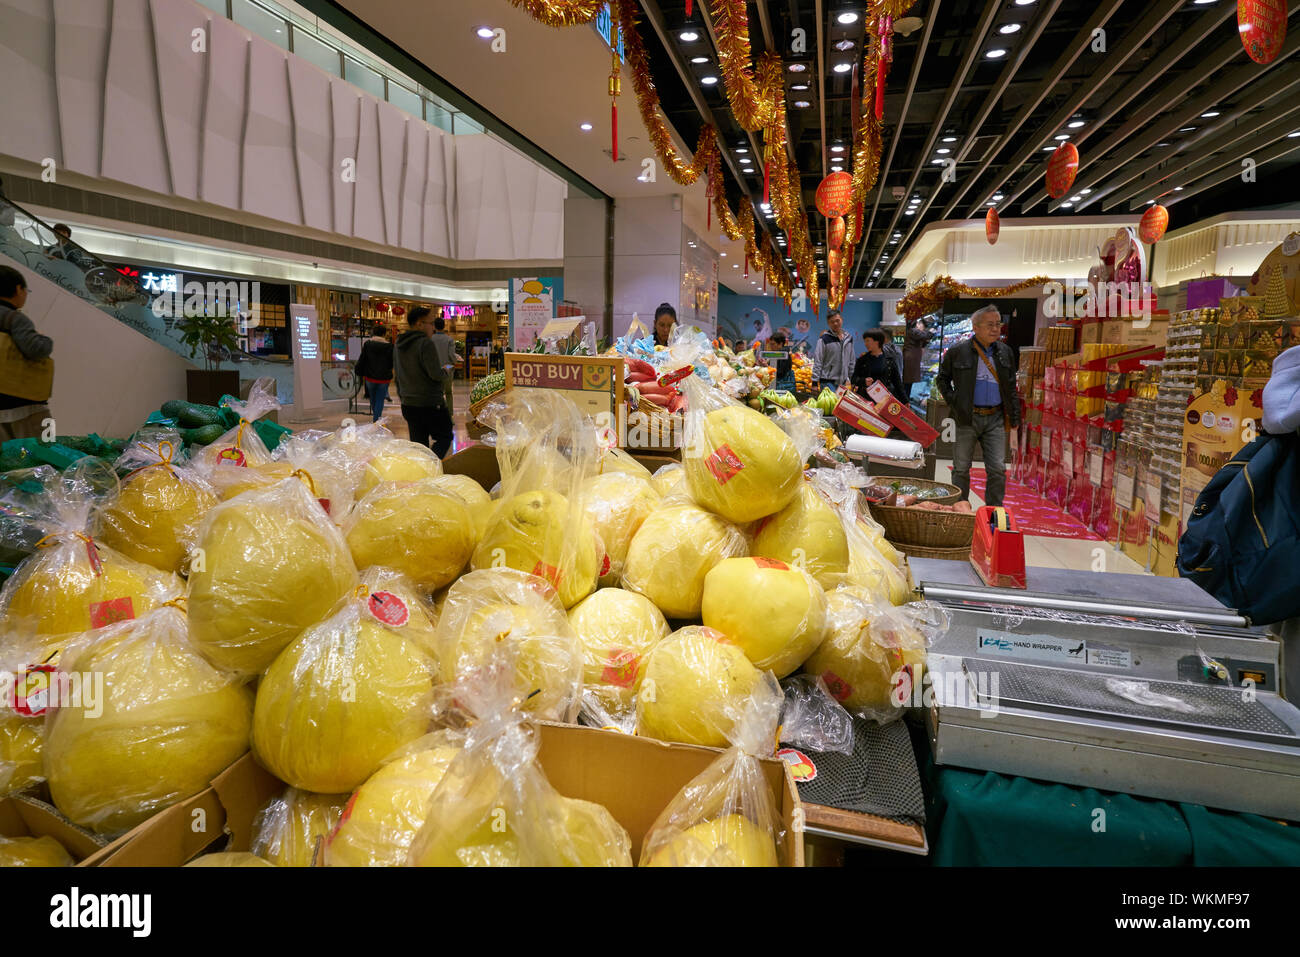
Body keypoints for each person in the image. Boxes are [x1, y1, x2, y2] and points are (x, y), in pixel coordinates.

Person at [937, 304, 1020, 507]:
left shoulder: (1005, 352)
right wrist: (955, 401)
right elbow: (942, 379)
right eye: (989, 324)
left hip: (996, 418)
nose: (995, 329)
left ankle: (993, 511)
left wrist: (1015, 418)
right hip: (966, 418)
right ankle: (961, 509)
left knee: (998, 469)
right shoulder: (957, 352)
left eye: (998, 324)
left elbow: (1011, 387)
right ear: (975, 327)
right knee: (961, 468)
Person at [0, 266, 54, 441]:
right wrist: (45, 341)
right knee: (46, 451)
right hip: (23, 405)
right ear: (17, 289)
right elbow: (35, 349)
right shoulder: (13, 318)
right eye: (25, 290)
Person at [394, 306, 453, 457]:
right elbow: (436, 374)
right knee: (445, 437)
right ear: (419, 324)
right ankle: (431, 467)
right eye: (431, 323)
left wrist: (403, 397)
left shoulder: (398, 344)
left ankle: (422, 474)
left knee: (419, 447)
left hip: (409, 404)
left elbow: (397, 376)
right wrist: (446, 369)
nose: (433, 327)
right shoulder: (425, 343)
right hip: (430, 404)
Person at [353, 324, 393, 422]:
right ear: (384, 334)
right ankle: (376, 420)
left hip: (370, 377)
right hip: (384, 378)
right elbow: (392, 362)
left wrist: (359, 370)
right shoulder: (390, 346)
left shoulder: (368, 344)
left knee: (373, 398)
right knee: (380, 399)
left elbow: (363, 359)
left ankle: (376, 418)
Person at [852, 329, 906, 402]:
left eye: (868, 341)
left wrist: (905, 400)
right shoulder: (862, 360)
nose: (865, 344)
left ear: (877, 341)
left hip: (884, 399)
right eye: (865, 341)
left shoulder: (889, 360)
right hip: (865, 399)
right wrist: (863, 381)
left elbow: (897, 382)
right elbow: (854, 379)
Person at [811, 308, 855, 392]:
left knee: (841, 405)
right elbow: (818, 361)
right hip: (827, 381)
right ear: (828, 323)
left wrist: (852, 379)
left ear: (842, 320)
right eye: (832, 322)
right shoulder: (824, 339)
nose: (835, 323)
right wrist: (814, 382)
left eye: (837, 320)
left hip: (844, 383)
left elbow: (852, 360)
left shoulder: (849, 338)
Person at [430, 316, 460, 413]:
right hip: (447, 368)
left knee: (435, 394)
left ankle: (435, 415)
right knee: (448, 392)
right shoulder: (449, 340)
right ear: (444, 327)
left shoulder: (430, 339)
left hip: (434, 370)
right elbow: (451, 355)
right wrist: (455, 363)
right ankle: (449, 416)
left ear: (434, 326)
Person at [903, 316, 935, 400]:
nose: (924, 329)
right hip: (911, 360)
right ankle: (905, 400)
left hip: (912, 360)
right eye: (923, 327)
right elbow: (925, 336)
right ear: (918, 324)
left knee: (908, 382)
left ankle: (906, 399)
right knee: (907, 382)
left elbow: (923, 341)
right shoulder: (914, 331)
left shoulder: (913, 333)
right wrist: (931, 332)